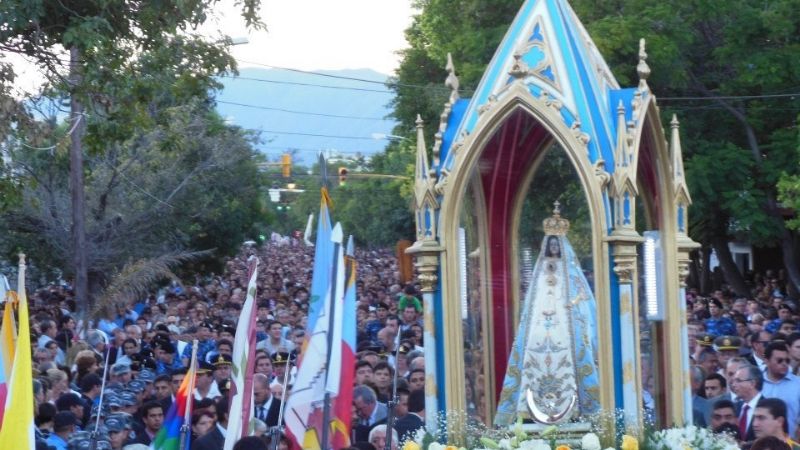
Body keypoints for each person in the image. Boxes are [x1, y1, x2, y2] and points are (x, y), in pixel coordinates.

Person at [495, 206, 600, 425]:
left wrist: (572, 304)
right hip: (540, 328)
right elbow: (533, 302)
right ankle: (529, 409)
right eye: (550, 245)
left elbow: (582, 296)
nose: (553, 248)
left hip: (565, 329)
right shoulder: (540, 270)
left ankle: (575, 409)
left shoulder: (570, 270)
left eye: (556, 245)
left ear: (561, 246)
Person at [761, 342, 800, 439]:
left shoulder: (798, 384)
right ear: (767, 361)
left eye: (787, 360)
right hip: (759, 442)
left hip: (790, 442)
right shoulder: (756, 382)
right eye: (779, 360)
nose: (784, 364)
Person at [731, 364, 764, 442]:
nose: (733, 385)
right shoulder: (735, 407)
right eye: (733, 381)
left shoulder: (767, 407)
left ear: (752, 383)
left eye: (738, 381)